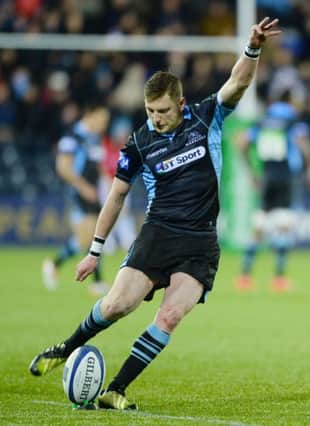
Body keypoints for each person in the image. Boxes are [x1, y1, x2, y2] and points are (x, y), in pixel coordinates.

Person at [29, 17, 281, 410]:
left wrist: (252, 48)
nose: (156, 118)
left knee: (170, 317)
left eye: (162, 110)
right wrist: (95, 250)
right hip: (158, 234)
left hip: (200, 243)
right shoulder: (139, 143)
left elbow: (239, 82)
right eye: (150, 110)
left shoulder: (205, 117)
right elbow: (114, 197)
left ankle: (115, 390)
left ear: (180, 103)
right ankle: (65, 347)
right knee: (116, 305)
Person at [234, 90, 310, 292]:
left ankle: (245, 276)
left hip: (267, 176)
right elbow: (304, 147)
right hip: (287, 178)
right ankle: (279, 278)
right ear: (290, 102)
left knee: (260, 225)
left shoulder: (263, 121)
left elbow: (241, 141)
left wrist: (251, 171)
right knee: (284, 226)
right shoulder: (293, 122)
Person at [41, 103, 111, 297]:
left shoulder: (94, 139)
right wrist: (83, 187)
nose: (103, 124)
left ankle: (55, 265)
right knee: (90, 238)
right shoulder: (72, 137)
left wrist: (107, 181)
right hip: (79, 194)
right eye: (101, 119)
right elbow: (62, 167)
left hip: (93, 193)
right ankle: (95, 282)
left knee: (90, 238)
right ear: (89, 114)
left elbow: (97, 166)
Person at [99, 115, 137, 254]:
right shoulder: (106, 144)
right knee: (108, 210)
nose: (124, 136)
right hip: (105, 182)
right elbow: (101, 166)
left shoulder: (127, 149)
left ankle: (128, 240)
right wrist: (109, 184)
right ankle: (107, 243)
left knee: (124, 213)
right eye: (122, 133)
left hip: (122, 182)